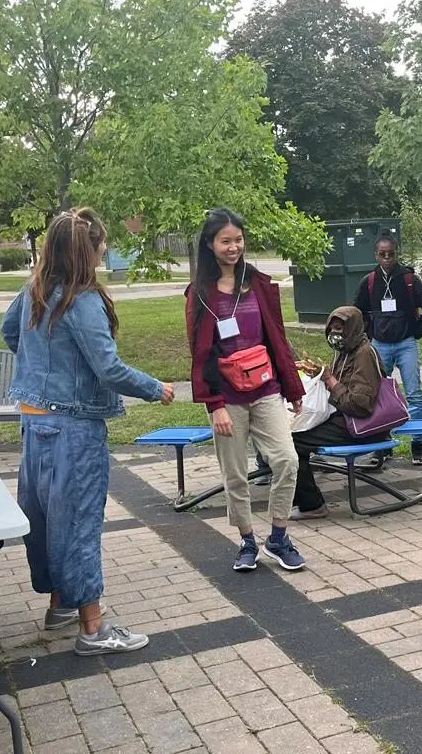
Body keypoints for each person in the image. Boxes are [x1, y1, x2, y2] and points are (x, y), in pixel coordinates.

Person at [0, 208, 175, 655]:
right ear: (89, 249)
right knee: (77, 524)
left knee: (42, 520)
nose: (104, 250)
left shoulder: (34, 291)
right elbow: (108, 368)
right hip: (73, 430)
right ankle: (93, 630)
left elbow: (9, 333)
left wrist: (45, 366)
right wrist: (156, 389)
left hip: (33, 422)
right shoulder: (83, 299)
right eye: (101, 244)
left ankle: (60, 604)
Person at [186, 208, 306, 573]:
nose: (234, 247)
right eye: (226, 241)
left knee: (287, 460)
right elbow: (199, 353)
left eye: (238, 239)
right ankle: (247, 541)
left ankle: (278, 536)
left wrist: (292, 386)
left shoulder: (260, 284)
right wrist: (214, 404)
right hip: (228, 398)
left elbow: (277, 339)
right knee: (235, 475)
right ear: (210, 245)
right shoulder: (200, 294)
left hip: (266, 388)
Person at [290, 306, 386, 519]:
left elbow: (361, 405)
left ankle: (312, 504)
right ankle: (302, 499)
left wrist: (329, 380)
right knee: (288, 435)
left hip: (361, 426)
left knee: (292, 443)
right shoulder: (344, 352)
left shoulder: (364, 354)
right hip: (344, 419)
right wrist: (319, 374)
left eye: (340, 330)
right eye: (332, 330)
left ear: (352, 329)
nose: (335, 336)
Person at [353, 232, 422, 465]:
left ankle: (417, 442)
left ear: (396, 253)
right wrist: (368, 336)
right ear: (376, 255)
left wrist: (416, 331)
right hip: (380, 344)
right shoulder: (369, 282)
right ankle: (381, 444)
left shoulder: (409, 279)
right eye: (382, 254)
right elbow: (356, 313)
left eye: (391, 254)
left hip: (405, 344)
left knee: (414, 393)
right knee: (379, 394)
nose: (387, 259)